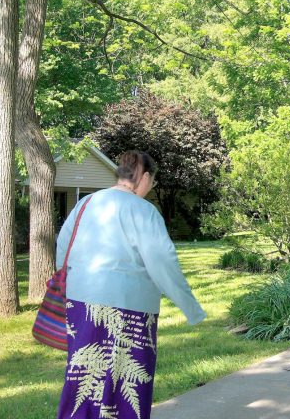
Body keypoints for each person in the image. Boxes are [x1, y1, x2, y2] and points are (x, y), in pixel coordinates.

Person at [56, 150, 206, 419]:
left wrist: (71, 286)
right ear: (145, 177)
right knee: (128, 381)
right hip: (130, 308)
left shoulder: (87, 203)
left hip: (81, 304)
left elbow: (63, 246)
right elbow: (162, 261)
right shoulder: (143, 211)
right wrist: (191, 308)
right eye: (153, 181)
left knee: (83, 376)